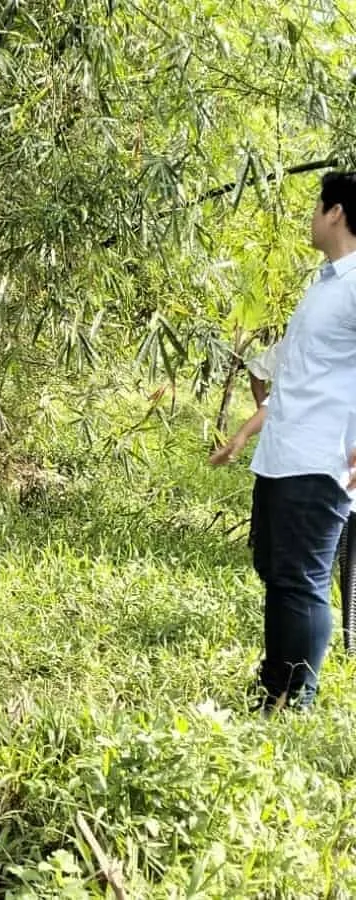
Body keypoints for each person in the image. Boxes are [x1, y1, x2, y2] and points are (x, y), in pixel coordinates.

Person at [213, 171, 356, 713]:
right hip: (283, 454)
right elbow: (298, 378)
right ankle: (272, 687)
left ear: (337, 212)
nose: (312, 215)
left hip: (321, 458)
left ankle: (297, 698)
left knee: (301, 580)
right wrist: (245, 435)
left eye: (317, 205)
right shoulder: (325, 286)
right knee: (277, 572)